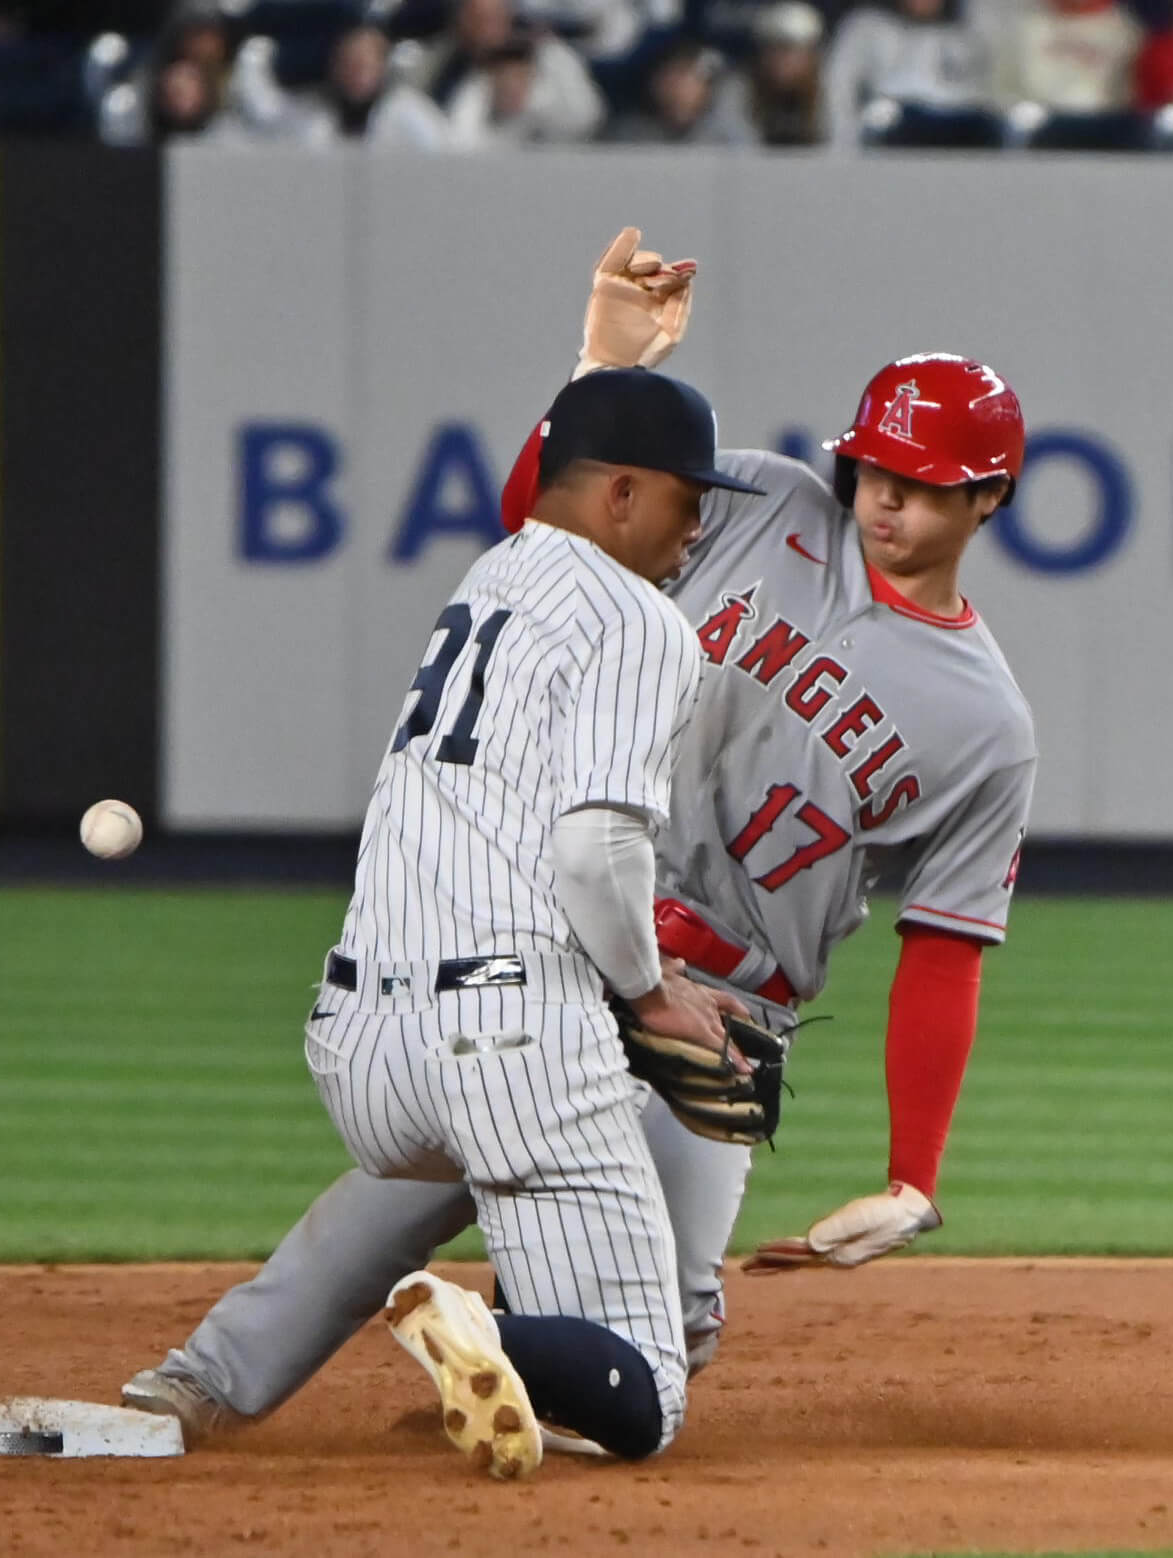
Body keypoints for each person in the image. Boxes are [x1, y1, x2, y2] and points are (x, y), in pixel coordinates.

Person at [124, 231, 1036, 1464]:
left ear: (988, 500)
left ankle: (483, 1355)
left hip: (722, 999)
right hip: (565, 931)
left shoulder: (984, 720)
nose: (884, 497)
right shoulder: (762, 500)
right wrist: (596, 364)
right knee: (418, 1183)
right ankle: (199, 1384)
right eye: (873, 467)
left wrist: (912, 1171)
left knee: (672, 1321)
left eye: (925, 484)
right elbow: (542, 532)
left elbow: (947, 948)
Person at [263, 355, 770, 1473]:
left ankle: (486, 1352)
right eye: (687, 501)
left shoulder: (488, 577)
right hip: (508, 1046)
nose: (697, 530)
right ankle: (474, 1323)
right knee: (644, 1394)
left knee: (563, 1375)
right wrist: (649, 991)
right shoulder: (638, 618)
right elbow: (594, 849)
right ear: (620, 495)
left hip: (358, 1052)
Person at [429, 0, 607, 146]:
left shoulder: (548, 58)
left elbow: (585, 117)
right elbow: (460, 139)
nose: (487, 30)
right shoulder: (452, 71)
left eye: (493, 19)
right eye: (477, 19)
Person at [820, 0, 996, 142]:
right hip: (894, 122)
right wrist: (845, 143)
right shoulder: (867, 27)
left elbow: (984, 92)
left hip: (957, 124)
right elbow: (839, 88)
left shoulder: (964, 36)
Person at [286, 23, 456, 147]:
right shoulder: (315, 115)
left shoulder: (410, 112)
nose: (354, 73)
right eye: (348, 64)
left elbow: (442, 157)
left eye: (363, 65)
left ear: (381, 66)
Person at [994, 0, 1144, 113]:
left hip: (1103, 138)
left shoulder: (1129, 36)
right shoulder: (1022, 30)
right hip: (1032, 140)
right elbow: (1001, 97)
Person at [715, 0, 826, 144]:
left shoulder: (831, 92)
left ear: (810, 55)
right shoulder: (736, 92)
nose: (780, 59)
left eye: (789, 49)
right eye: (772, 49)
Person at [604, 36, 756, 140]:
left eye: (686, 75)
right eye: (672, 74)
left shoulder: (728, 137)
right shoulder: (629, 135)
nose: (678, 86)